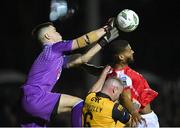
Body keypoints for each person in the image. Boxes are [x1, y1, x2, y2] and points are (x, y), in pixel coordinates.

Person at [19, 21, 119, 127]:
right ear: (48, 36)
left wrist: (103, 43)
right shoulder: (54, 48)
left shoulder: (54, 57)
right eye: (55, 31)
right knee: (78, 103)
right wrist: (106, 29)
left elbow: (82, 59)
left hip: (26, 101)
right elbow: (85, 40)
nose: (59, 33)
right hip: (35, 97)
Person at [82, 39, 159, 127]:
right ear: (121, 57)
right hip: (143, 120)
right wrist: (134, 112)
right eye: (129, 51)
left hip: (141, 118)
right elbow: (124, 97)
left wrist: (82, 64)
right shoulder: (122, 76)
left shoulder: (111, 71)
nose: (133, 52)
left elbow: (96, 70)